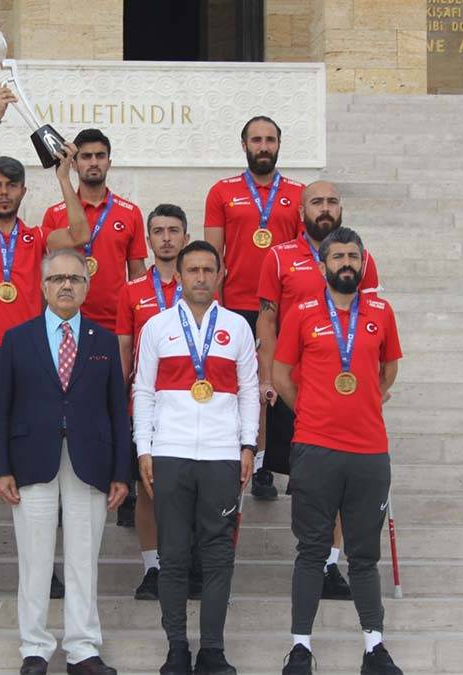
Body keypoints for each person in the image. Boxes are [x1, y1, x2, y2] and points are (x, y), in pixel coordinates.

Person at [0, 81, 90, 601]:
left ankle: (44, 565)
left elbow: (78, 233)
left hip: (30, 359)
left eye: (11, 185)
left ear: (24, 192)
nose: (2, 192)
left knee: (37, 461)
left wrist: (63, 175)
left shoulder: (36, 240)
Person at [0, 247, 130, 675]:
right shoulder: (18, 338)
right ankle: (35, 647)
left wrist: (121, 472)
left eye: (74, 278)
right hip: (32, 459)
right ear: (43, 286)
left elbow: (117, 410)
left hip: (91, 462)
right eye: (57, 279)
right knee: (34, 556)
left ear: (86, 286)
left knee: (83, 556)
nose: (66, 285)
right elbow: (1, 407)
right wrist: (2, 468)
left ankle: (83, 648)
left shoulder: (104, 340)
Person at [273, 227, 403, 675]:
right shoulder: (303, 312)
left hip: (369, 452)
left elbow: (389, 370)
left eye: (353, 256)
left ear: (362, 263)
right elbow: (282, 373)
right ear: (323, 264)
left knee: (364, 556)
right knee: (311, 551)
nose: (346, 262)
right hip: (315, 448)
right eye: (338, 256)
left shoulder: (382, 312)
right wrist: (309, 410)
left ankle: (375, 647)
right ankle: (300, 648)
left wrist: (367, 399)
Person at [133, 240, 259, 675]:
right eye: (193, 271)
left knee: (219, 554)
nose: (201, 278)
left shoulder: (239, 328)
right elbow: (143, 391)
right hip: (170, 452)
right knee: (173, 554)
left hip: (223, 456)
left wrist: (248, 446)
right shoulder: (157, 327)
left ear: (220, 274)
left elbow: (248, 391)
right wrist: (144, 448)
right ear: (180, 276)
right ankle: (176, 650)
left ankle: (213, 651)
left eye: (208, 270)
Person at [257, 181, 381, 602]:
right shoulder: (278, 256)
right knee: (307, 482)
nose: (324, 208)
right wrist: (270, 376)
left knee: (342, 483)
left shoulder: (360, 259)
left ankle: (329, 563)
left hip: (345, 393)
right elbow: (267, 321)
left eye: (331, 201)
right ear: (301, 209)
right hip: (295, 385)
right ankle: (313, 554)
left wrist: (372, 391)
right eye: (316, 202)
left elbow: (376, 328)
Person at [41, 127, 147, 528]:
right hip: (72, 326)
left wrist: (138, 327)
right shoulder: (57, 214)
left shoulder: (129, 213)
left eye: (100, 155)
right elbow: (49, 276)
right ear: (75, 161)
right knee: (74, 407)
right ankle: (72, 482)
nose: (93, 163)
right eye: (85, 156)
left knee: (117, 407)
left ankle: (125, 480)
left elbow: (137, 275)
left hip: (115, 327)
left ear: (109, 161)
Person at [203, 115, 304, 501]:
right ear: (243, 145)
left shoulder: (298, 193)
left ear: (280, 144)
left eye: (271, 140)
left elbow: (305, 252)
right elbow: (214, 255)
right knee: (253, 385)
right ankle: (257, 462)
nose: (264, 146)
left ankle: (292, 461)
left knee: (287, 382)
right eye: (256, 140)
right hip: (238, 304)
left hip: (284, 308)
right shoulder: (222, 192)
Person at [114, 204, 190, 600]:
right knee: (148, 487)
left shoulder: (199, 285)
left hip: (191, 403)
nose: (166, 238)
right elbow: (125, 346)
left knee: (188, 488)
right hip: (147, 402)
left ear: (185, 238)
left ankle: (183, 563)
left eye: (173, 230)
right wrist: (121, 395)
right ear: (148, 240)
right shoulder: (131, 291)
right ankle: (153, 568)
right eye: (158, 231)